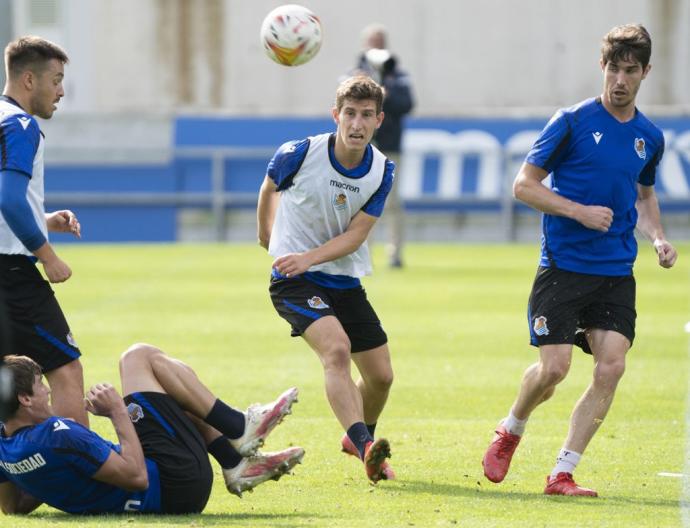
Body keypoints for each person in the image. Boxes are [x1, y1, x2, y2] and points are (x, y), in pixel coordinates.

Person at [482, 24, 678, 497]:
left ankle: (562, 472)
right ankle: (511, 429)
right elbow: (524, 186)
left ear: (645, 72)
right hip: (564, 265)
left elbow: (645, 196)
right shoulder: (570, 121)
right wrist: (578, 211)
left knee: (612, 366)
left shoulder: (649, 137)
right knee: (553, 370)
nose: (620, 79)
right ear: (602, 67)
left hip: (615, 271)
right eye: (613, 68)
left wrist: (658, 238)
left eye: (631, 70)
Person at [257, 75, 395, 483]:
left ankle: (359, 440)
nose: (357, 124)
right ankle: (366, 444)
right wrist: (267, 234)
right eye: (350, 113)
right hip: (292, 281)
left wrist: (310, 257)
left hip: (342, 280)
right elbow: (269, 186)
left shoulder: (383, 171)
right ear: (336, 115)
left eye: (366, 115)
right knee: (336, 351)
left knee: (381, 377)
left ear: (379, 120)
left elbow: (356, 236)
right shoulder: (299, 153)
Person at [0, 344, 304, 514]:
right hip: (174, 484)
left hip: (169, 485)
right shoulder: (59, 434)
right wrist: (117, 411)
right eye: (41, 386)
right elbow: (136, 476)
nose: (48, 392)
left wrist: (55, 479)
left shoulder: (6, 447)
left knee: (164, 396)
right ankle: (238, 427)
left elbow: (14, 506)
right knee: (137, 357)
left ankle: (235, 461)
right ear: (25, 399)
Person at [0, 36, 87, 426]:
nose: (61, 91)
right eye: (56, 79)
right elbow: (10, 199)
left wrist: (43, 219)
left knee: (7, 385)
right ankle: (80, 484)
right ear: (29, 80)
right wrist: (46, 254)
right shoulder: (20, 124)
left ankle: (15, 486)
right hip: (11, 275)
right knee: (65, 371)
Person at [351, 23, 414, 268]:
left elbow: (407, 104)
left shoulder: (397, 75)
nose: (376, 46)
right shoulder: (355, 72)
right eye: (372, 42)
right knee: (358, 200)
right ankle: (360, 251)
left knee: (393, 202)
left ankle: (395, 253)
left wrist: (387, 95)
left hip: (389, 144)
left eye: (380, 41)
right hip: (359, 146)